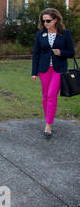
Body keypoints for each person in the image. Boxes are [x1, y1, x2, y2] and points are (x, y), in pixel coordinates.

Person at [31, 8, 75, 138]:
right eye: (43, 21)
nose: (45, 23)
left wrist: (61, 52)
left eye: (48, 20)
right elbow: (36, 54)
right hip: (43, 69)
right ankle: (48, 119)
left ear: (55, 20)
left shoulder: (65, 33)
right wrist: (34, 72)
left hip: (58, 69)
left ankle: (48, 125)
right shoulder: (40, 34)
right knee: (45, 96)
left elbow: (71, 52)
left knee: (51, 95)